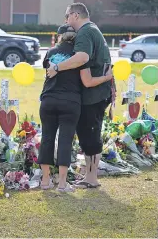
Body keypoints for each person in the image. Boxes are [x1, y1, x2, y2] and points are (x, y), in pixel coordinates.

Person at [38, 24, 113, 192]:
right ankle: (63, 184)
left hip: (48, 100)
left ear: (59, 37)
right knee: (65, 140)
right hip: (70, 102)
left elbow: (48, 72)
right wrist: (107, 77)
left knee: (47, 138)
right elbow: (87, 82)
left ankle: (45, 181)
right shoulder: (79, 56)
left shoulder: (50, 53)